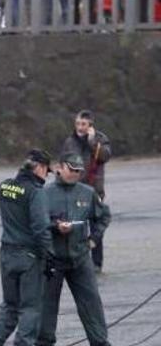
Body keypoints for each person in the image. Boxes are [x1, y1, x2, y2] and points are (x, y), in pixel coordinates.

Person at [35, 154, 121, 346]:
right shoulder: (44, 194)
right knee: (46, 305)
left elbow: (103, 217)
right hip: (52, 259)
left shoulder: (87, 192)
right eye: (72, 169)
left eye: (78, 171)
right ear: (60, 168)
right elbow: (36, 224)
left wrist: (93, 239)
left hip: (80, 257)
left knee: (91, 302)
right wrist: (56, 227)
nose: (75, 174)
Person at [0, 149, 53, 346]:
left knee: (9, 305)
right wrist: (48, 255)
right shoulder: (36, 192)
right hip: (29, 256)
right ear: (40, 168)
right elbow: (41, 227)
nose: (47, 176)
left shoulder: (5, 186)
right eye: (46, 172)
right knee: (30, 308)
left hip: (6, 253)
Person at [60, 110, 112, 271]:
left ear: (90, 125)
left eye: (83, 124)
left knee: (97, 225)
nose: (80, 127)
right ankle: (76, 260)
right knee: (75, 225)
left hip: (94, 189)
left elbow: (105, 156)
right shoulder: (69, 142)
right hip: (74, 189)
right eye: (77, 123)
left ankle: (97, 263)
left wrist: (92, 141)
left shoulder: (100, 140)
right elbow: (63, 163)